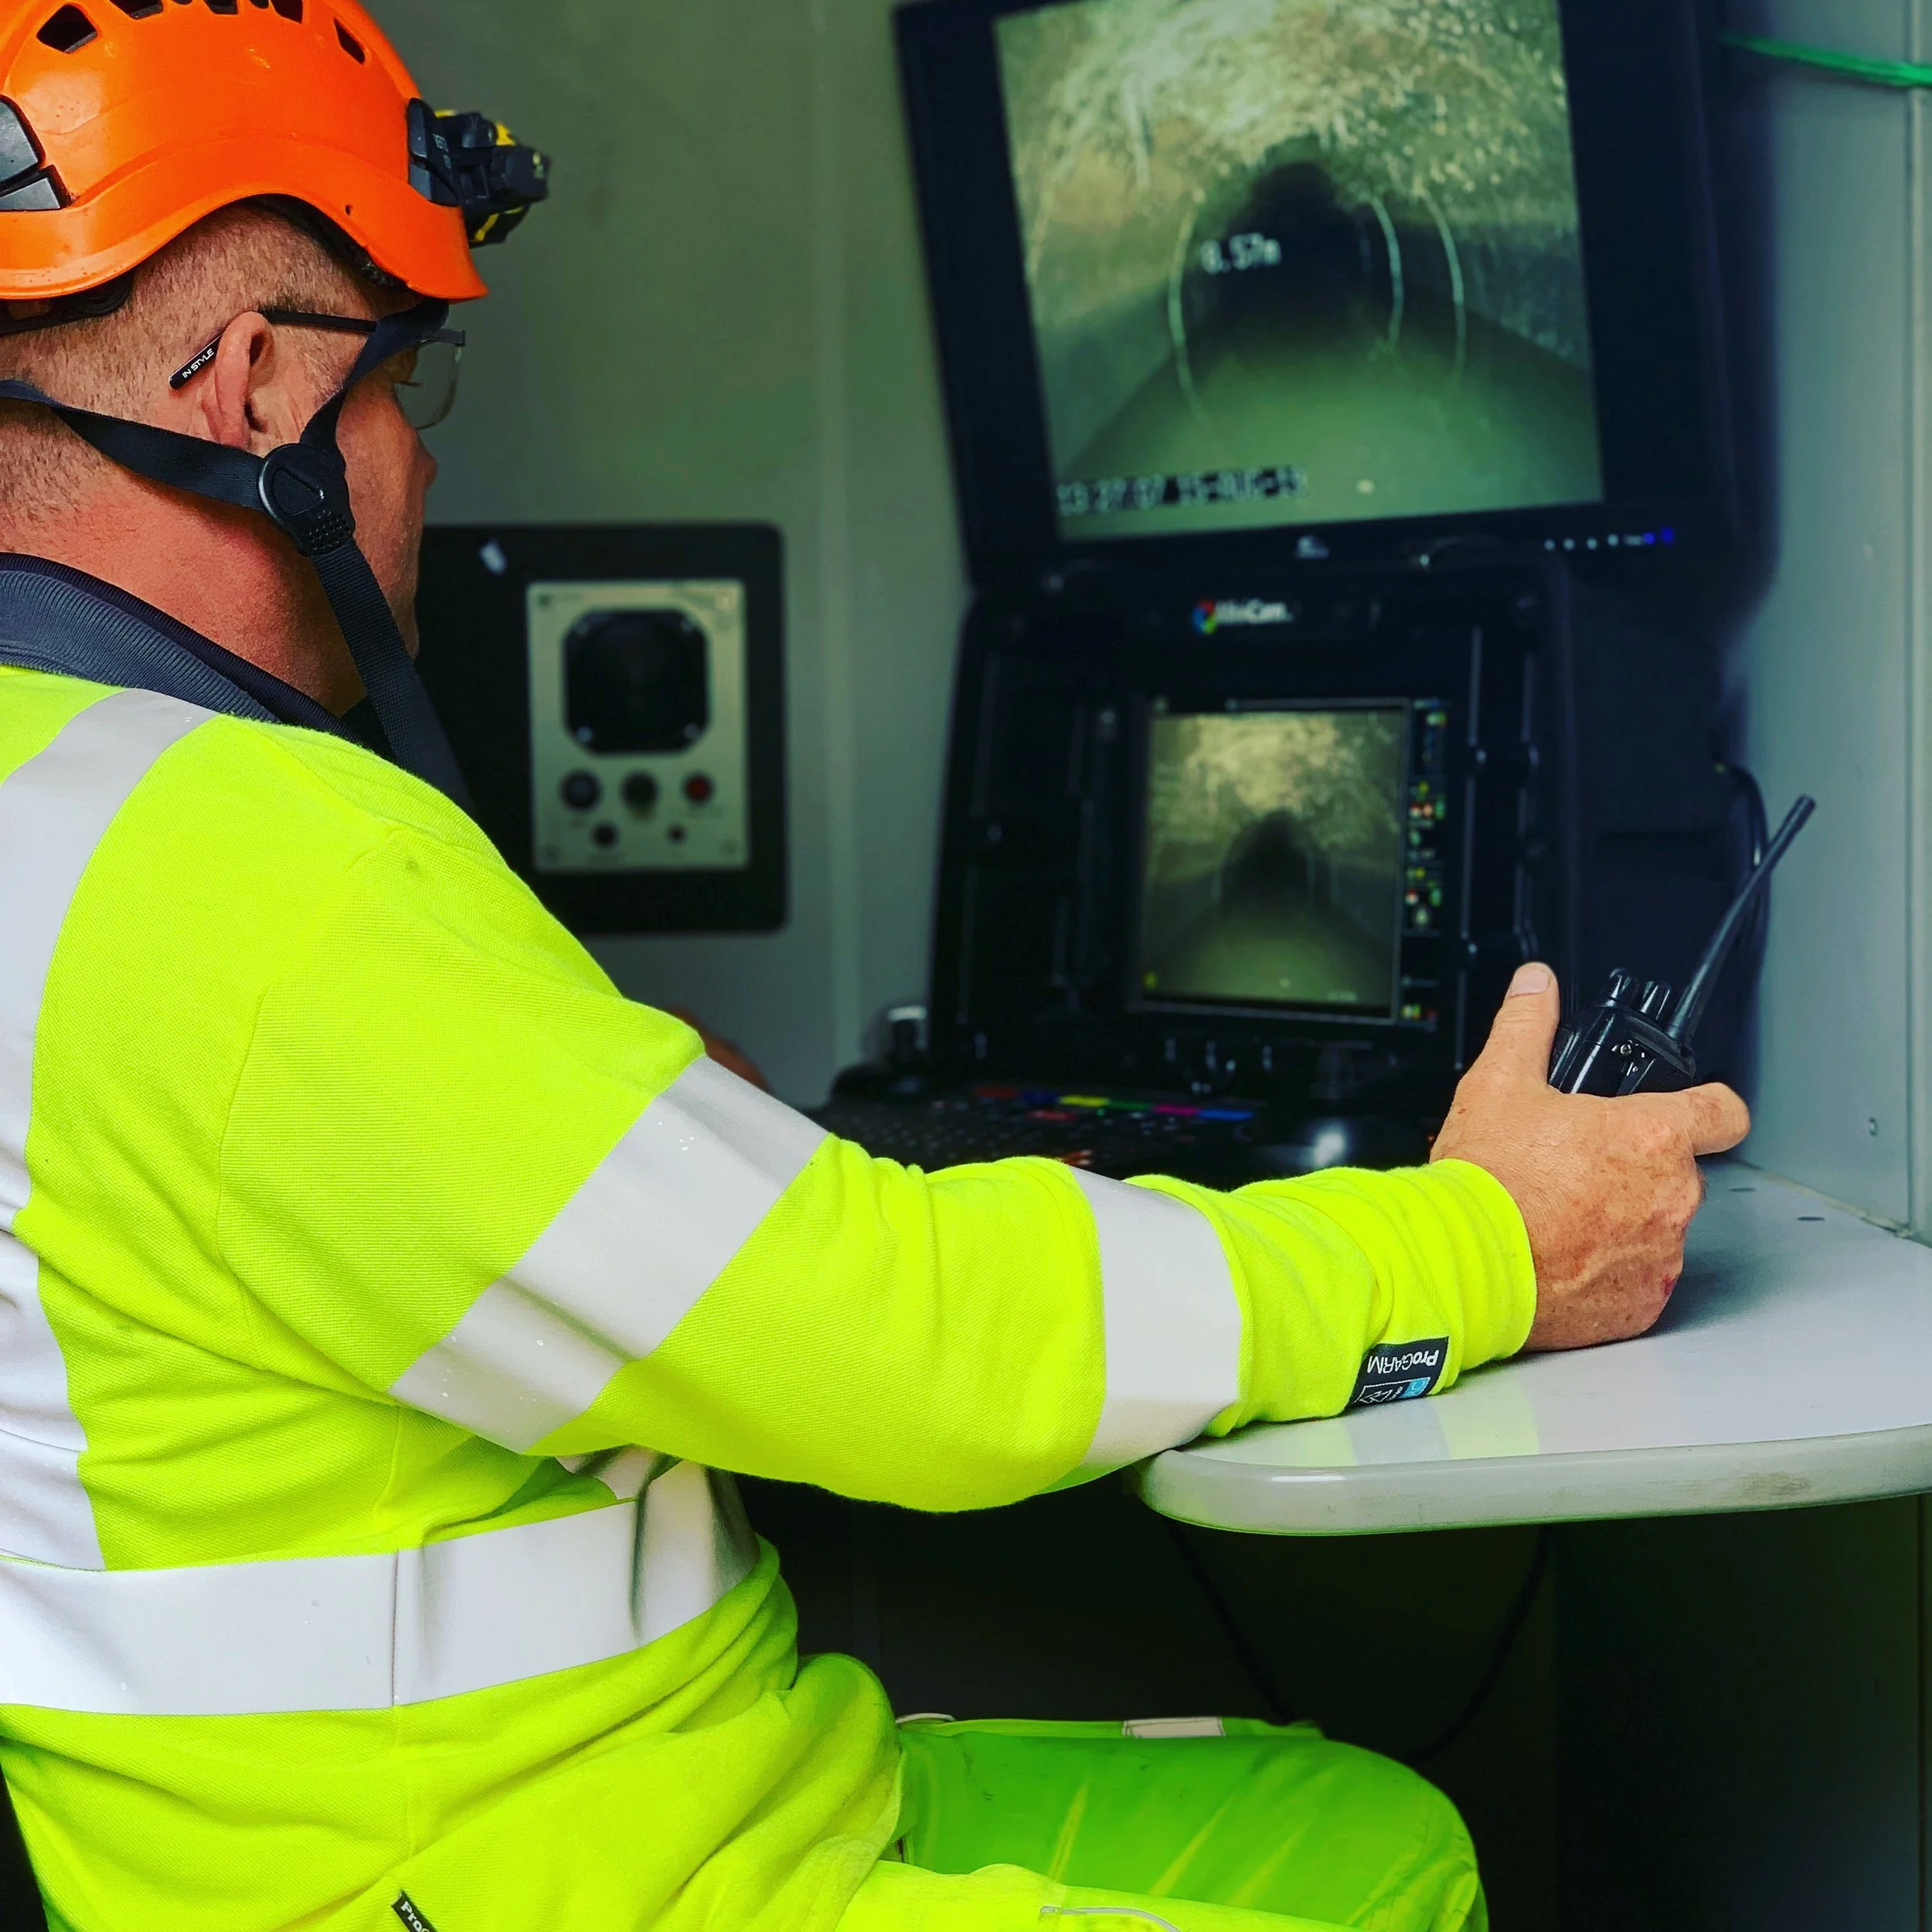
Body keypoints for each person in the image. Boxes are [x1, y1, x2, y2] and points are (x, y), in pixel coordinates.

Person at [0, 5, 1748, 1929]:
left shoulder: (72, 809)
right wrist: (1483, 1240)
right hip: (540, 1880)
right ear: (258, 390)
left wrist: (628, 1125)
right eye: (409, 380)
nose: (416, 457)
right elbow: (903, 1350)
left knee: (1377, 1837)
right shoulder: (258, 871)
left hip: (623, 1794)